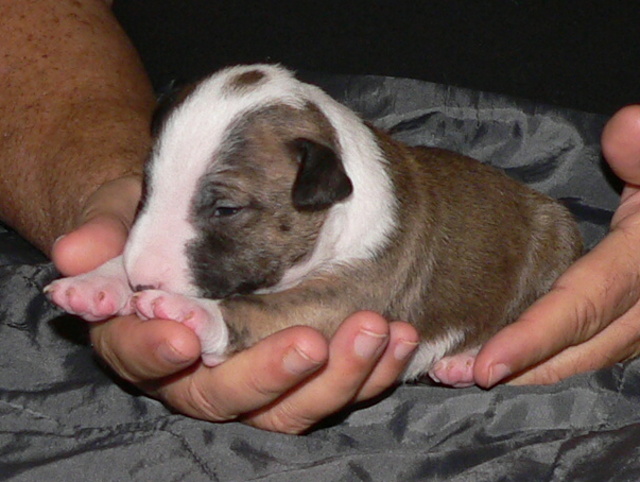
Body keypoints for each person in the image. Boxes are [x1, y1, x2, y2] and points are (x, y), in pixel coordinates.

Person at [1, 0, 639, 434]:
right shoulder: (264, 165)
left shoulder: (371, 235)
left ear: (323, 188)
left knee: (548, 235)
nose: (150, 260)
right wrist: (112, 248)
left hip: (564, 183)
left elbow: (331, 309)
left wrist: (218, 326)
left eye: (224, 208)